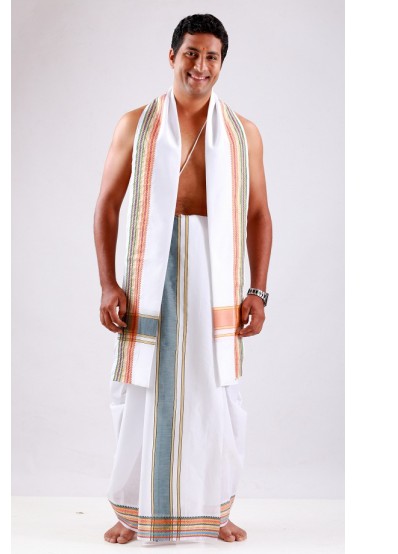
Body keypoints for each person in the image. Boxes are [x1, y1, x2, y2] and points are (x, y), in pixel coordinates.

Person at [93, 13, 272, 545]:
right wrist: (108, 284)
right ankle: (131, 512)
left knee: (217, 393)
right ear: (172, 56)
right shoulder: (136, 124)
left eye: (211, 56)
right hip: (150, 274)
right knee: (141, 390)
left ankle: (215, 510)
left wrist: (257, 291)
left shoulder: (242, 133)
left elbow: (258, 213)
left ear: (222, 63)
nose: (200, 65)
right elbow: (107, 206)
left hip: (216, 277)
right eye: (191, 53)